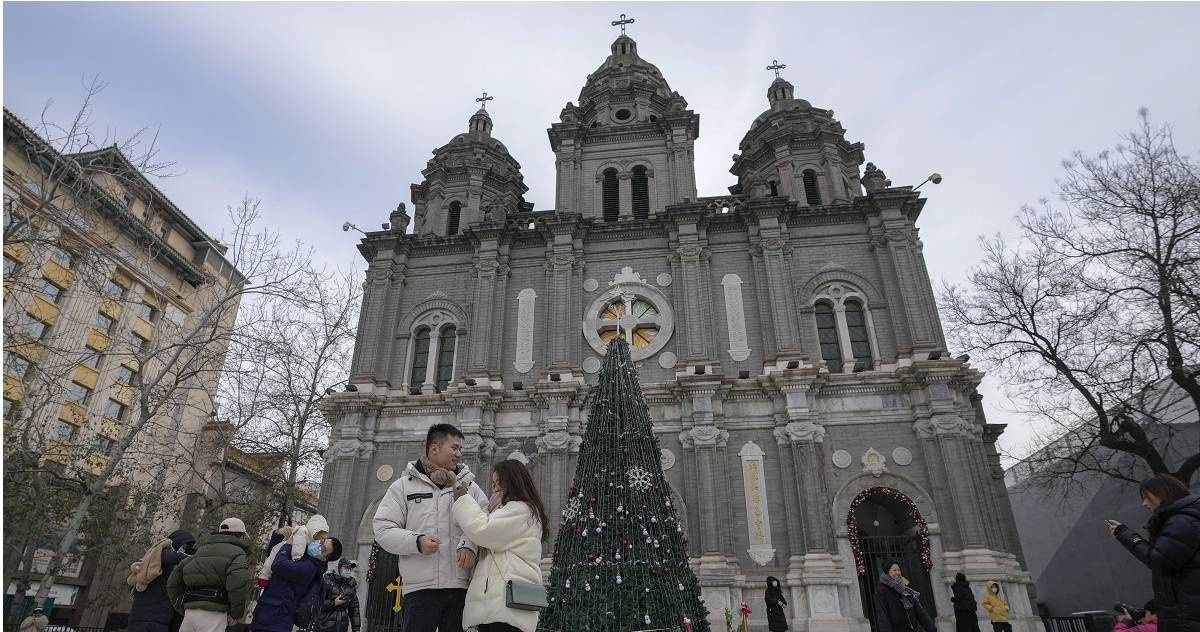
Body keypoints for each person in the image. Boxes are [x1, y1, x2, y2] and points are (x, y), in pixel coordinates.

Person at [373, 423, 488, 632]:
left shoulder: (468, 487)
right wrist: (416, 542)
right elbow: (383, 528)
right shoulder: (403, 486)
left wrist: (470, 544)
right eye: (454, 448)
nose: (459, 454)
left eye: (460, 449)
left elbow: (486, 520)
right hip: (421, 590)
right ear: (434, 449)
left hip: (460, 587)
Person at [450, 459, 548, 632]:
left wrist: (463, 500)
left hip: (506, 606)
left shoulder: (521, 510)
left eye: (498, 483)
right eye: (493, 483)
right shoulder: (511, 510)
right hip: (499, 606)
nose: (494, 489)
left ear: (512, 482)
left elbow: (482, 530)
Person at [1110, 473, 1200, 632]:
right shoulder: (1186, 517)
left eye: (1147, 497)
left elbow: (1158, 560)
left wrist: (1128, 536)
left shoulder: (1182, 521)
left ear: (1164, 492)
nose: (1144, 503)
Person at [166, 518, 253, 632]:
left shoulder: (200, 551)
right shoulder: (238, 553)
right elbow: (238, 583)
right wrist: (236, 614)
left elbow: (173, 582)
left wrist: (181, 606)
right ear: (240, 535)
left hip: (190, 611)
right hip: (215, 612)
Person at [251, 532, 342, 632]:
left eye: (323, 548)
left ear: (324, 558)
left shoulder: (309, 568)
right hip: (267, 613)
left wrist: (289, 544)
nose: (319, 544)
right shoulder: (303, 554)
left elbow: (277, 565)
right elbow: (272, 556)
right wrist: (279, 534)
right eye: (322, 541)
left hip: (275, 620)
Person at [129, 529, 196, 632]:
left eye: (186, 548)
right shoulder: (161, 556)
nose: (183, 550)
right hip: (150, 618)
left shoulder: (158, 564)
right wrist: (196, 558)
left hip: (157, 617)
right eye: (183, 546)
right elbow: (170, 556)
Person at [257, 515, 330, 588]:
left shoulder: (314, 560)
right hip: (273, 588)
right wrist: (280, 533)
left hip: (282, 592)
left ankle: (264, 575)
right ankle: (264, 575)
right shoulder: (300, 537)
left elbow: (279, 564)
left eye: (323, 541)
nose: (320, 541)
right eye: (321, 538)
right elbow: (272, 553)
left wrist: (289, 548)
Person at [874, 560, 936, 632]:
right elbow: (883, 616)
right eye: (894, 570)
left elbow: (919, 610)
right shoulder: (881, 591)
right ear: (887, 572)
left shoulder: (905, 588)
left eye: (899, 570)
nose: (898, 573)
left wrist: (931, 627)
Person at [317, 558, 361, 632]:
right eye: (346, 568)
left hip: (342, 626)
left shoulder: (350, 585)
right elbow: (317, 604)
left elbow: (354, 609)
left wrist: (356, 629)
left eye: (350, 568)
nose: (348, 571)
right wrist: (333, 603)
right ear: (337, 568)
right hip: (323, 625)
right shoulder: (326, 581)